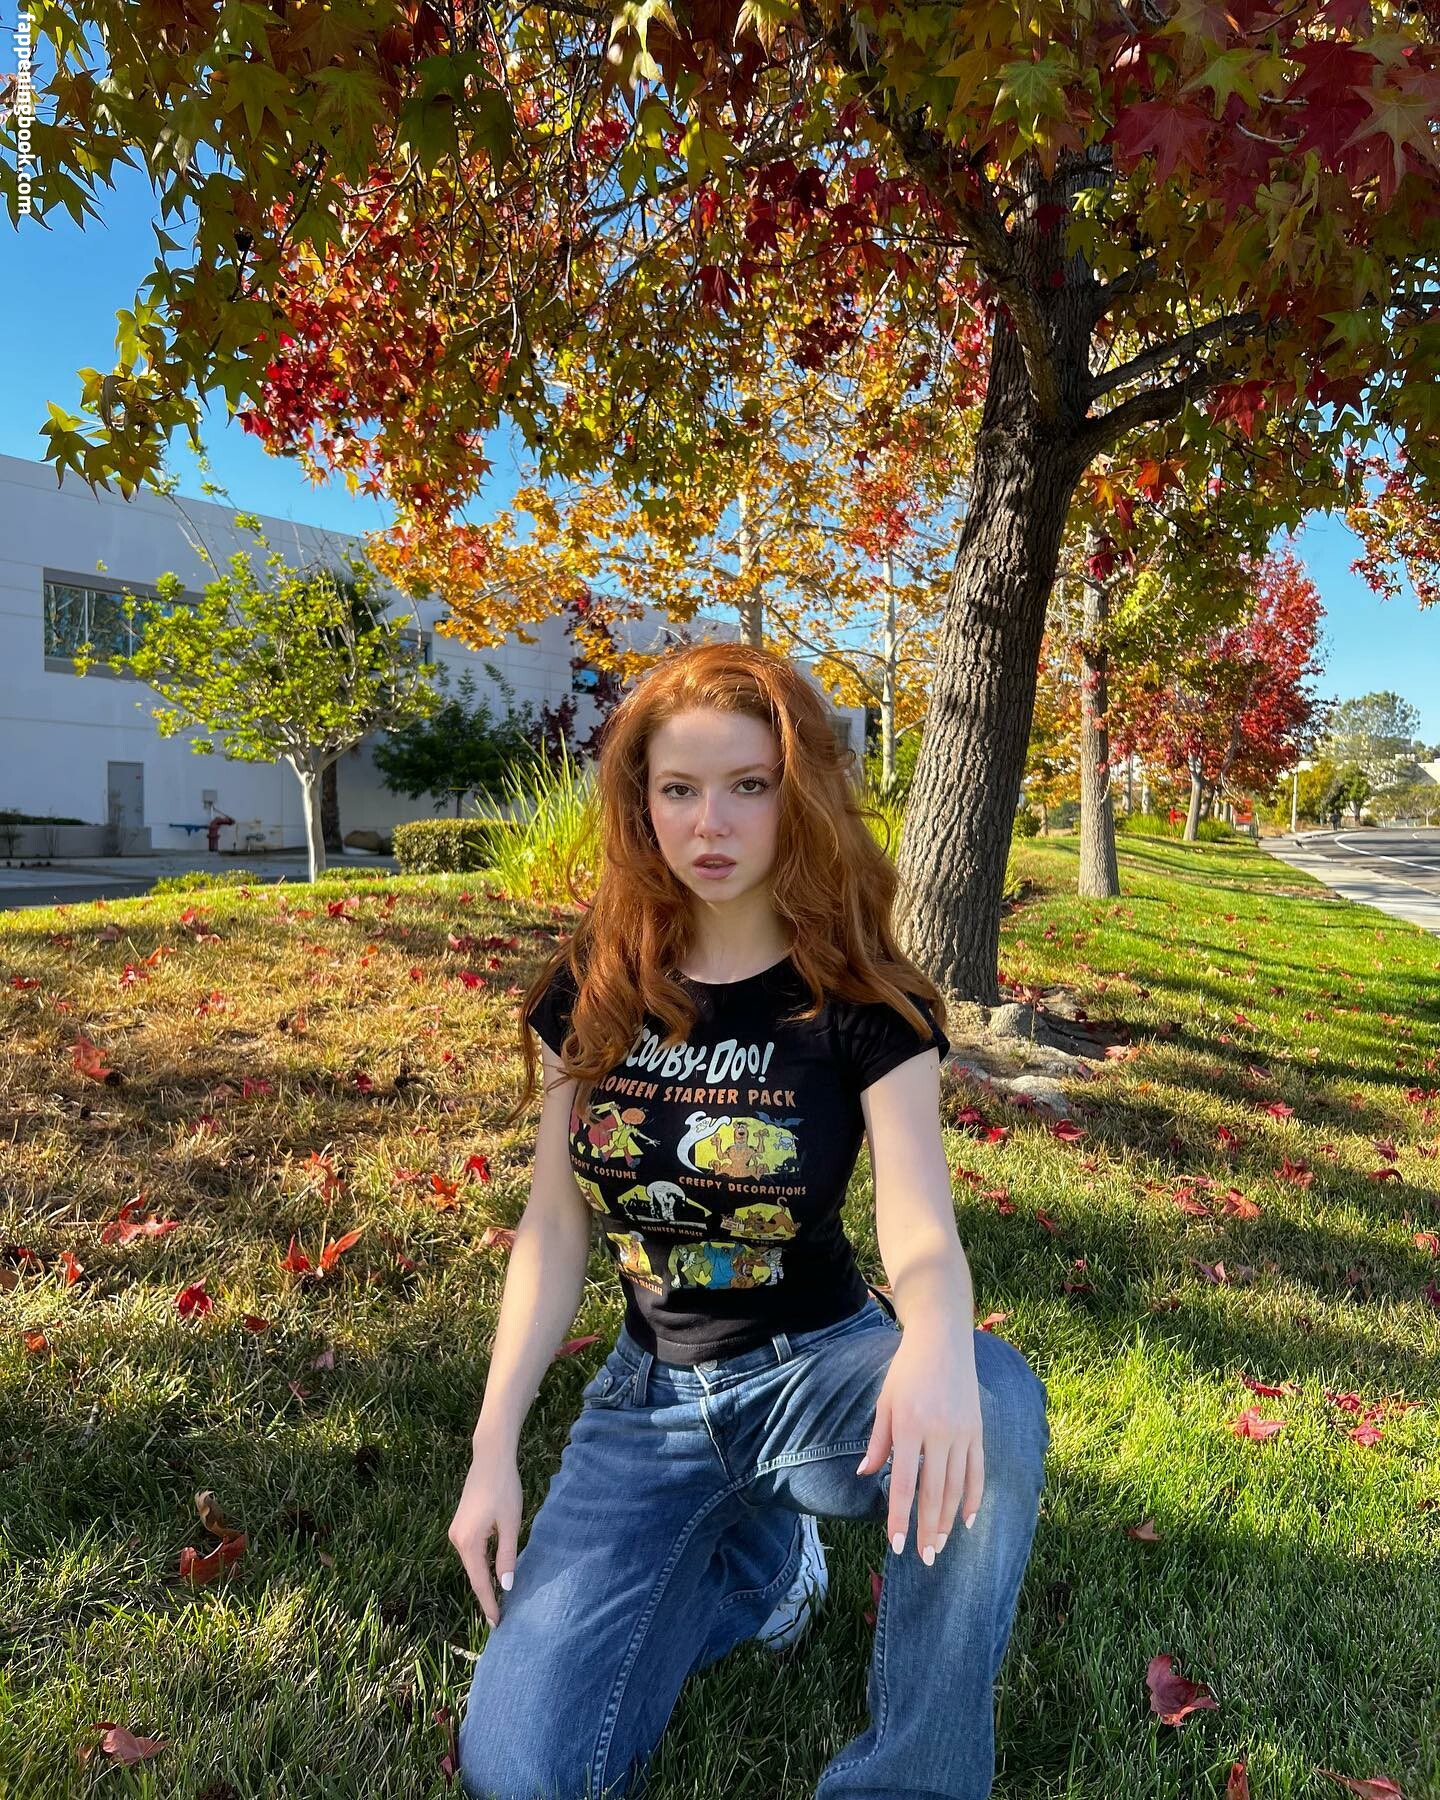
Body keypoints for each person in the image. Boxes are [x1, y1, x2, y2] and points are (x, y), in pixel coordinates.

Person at [450, 643, 1050, 1800]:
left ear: (798, 794)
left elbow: (921, 1231)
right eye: (678, 789)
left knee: (993, 1398)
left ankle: (909, 1783)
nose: (709, 823)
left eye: (748, 785)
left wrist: (936, 1344)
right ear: (642, 803)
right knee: (520, 1775)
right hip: (649, 1403)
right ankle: (763, 1572)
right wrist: (491, 1449)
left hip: (822, 1375)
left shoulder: (865, 1002)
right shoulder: (595, 982)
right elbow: (555, 1226)